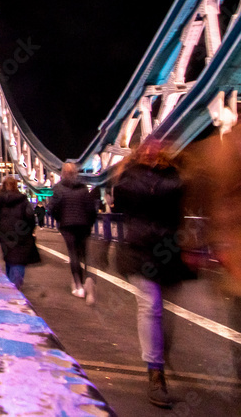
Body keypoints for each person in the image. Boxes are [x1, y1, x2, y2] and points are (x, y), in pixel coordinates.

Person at [112, 139, 192, 409]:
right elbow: (121, 201)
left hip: (168, 252)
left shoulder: (174, 176)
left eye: (157, 148)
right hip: (139, 251)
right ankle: (155, 373)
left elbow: (180, 196)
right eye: (146, 148)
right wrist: (125, 170)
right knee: (152, 307)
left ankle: (159, 355)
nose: (151, 151)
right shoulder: (129, 178)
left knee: (164, 313)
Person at [49, 162, 98, 301]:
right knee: (84, 253)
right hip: (83, 225)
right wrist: (89, 223)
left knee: (73, 254)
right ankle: (89, 278)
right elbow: (91, 209)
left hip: (67, 225)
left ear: (63, 174)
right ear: (75, 173)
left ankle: (79, 286)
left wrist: (59, 220)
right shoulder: (83, 188)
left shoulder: (58, 188)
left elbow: (52, 208)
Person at [0, 176, 39, 289]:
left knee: (9, 256)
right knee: (19, 259)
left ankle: (10, 283)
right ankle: (15, 285)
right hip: (21, 232)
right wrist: (31, 230)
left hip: (4, 232)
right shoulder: (23, 199)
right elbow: (30, 216)